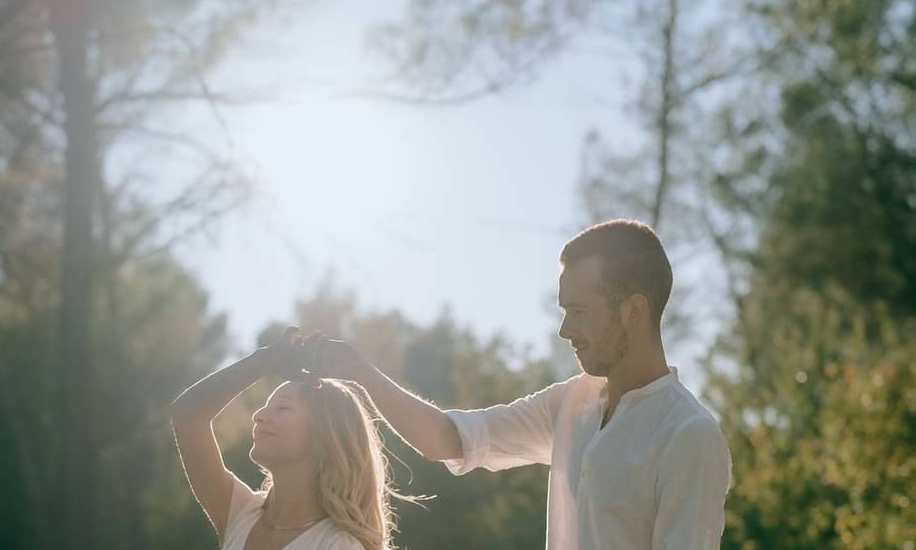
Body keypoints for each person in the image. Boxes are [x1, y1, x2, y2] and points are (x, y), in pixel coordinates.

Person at [316, 218, 733, 549]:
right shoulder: (570, 402)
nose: (564, 330)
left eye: (578, 311)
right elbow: (447, 439)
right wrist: (362, 372)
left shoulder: (689, 436)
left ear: (634, 310)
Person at [170, 326, 410, 550]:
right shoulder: (241, 514)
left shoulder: (338, 545)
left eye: (282, 408)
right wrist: (263, 361)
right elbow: (187, 416)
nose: (259, 415)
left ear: (324, 435)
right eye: (265, 407)